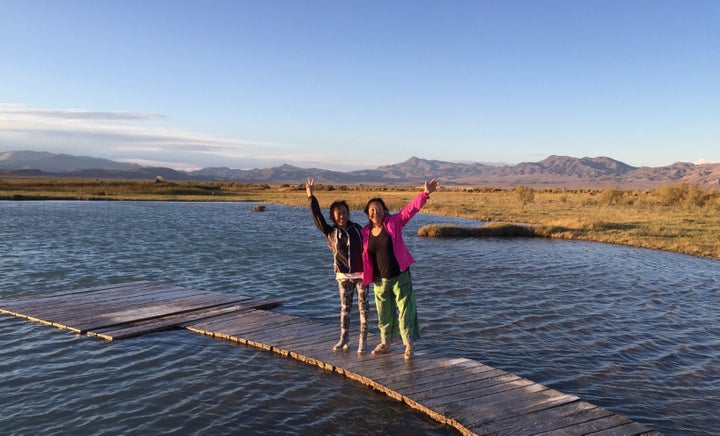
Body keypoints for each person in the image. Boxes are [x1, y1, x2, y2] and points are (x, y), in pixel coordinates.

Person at [361, 178, 439, 360]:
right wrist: (334, 244)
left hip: (400, 276)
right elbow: (352, 244)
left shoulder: (393, 223)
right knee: (383, 313)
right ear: (367, 213)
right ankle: (385, 343)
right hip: (380, 280)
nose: (375, 211)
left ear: (384, 211)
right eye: (372, 209)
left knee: (405, 311)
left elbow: (409, 211)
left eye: (378, 208)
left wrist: (424, 194)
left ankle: (408, 345)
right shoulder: (364, 232)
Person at [306, 178, 369, 354]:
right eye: (337, 213)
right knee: (345, 309)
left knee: (363, 309)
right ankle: (344, 338)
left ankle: (363, 340)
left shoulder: (358, 229)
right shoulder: (331, 232)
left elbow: (371, 245)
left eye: (344, 212)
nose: (341, 215)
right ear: (333, 216)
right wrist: (311, 195)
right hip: (343, 276)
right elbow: (316, 215)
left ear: (348, 213)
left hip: (361, 275)